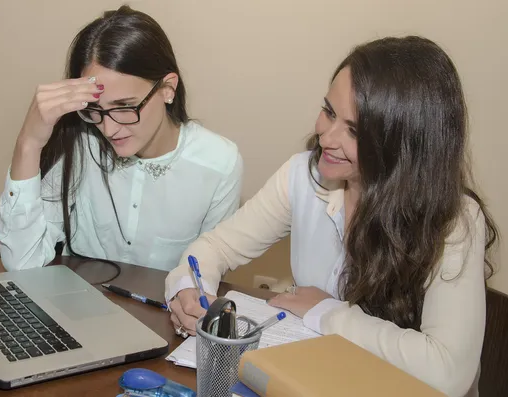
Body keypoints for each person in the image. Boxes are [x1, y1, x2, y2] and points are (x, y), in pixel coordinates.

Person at [165, 36, 498, 397]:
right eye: (328, 111)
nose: (325, 136)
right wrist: (188, 288)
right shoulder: (302, 176)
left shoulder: (455, 219)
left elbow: (448, 372)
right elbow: (216, 246)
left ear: (403, 147)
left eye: (354, 131)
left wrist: (328, 313)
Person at [0, 5, 243, 273]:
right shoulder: (82, 142)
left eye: (125, 107)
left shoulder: (219, 163)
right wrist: (28, 143)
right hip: (77, 305)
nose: (109, 129)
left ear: (167, 89)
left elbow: (203, 277)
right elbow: (22, 264)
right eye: (95, 110)